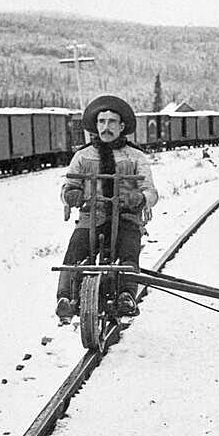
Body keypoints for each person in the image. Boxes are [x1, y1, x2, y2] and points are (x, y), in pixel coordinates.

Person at [56, 95, 159, 323]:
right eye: (102, 122)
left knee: (129, 252)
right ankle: (65, 300)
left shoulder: (135, 156)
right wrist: (71, 194)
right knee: (74, 253)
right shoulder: (82, 156)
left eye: (112, 122)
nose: (106, 127)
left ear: (122, 127)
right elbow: (67, 186)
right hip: (91, 217)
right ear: (96, 125)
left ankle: (126, 295)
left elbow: (151, 192)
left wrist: (139, 198)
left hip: (125, 218)